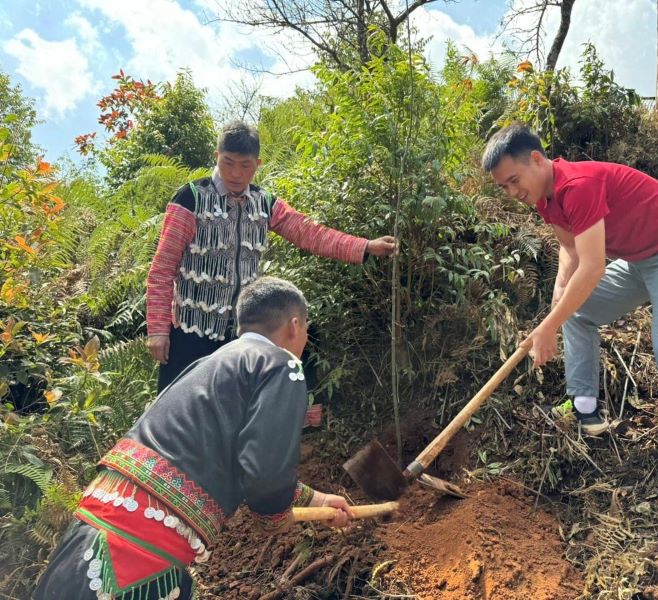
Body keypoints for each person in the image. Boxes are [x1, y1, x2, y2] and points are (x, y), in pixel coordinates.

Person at [35, 277, 354, 600]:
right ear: (295, 325)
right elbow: (265, 473)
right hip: (139, 553)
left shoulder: (210, 364)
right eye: (306, 329)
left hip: (95, 524)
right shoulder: (283, 364)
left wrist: (316, 500)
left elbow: (236, 457)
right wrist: (274, 516)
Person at [482, 123, 658, 523]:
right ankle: (585, 408)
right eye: (503, 187)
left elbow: (594, 267)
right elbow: (570, 250)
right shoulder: (546, 199)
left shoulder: (577, 186)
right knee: (576, 311)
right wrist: (559, 294)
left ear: (536, 160)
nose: (512, 192)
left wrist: (549, 325)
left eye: (514, 180)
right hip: (638, 260)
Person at [147, 120, 397, 392]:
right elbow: (162, 268)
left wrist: (365, 246)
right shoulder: (191, 198)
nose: (236, 173)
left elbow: (310, 233)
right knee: (179, 408)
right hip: (190, 332)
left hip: (241, 334)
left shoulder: (264, 202)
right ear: (216, 156)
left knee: (233, 410)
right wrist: (158, 329)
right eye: (228, 163)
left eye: (245, 166)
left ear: (258, 164)